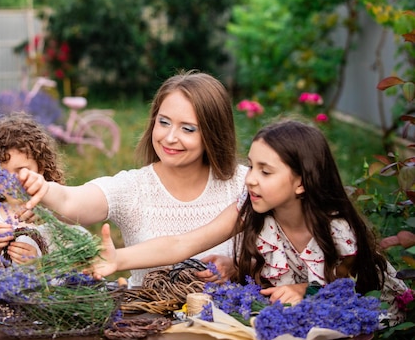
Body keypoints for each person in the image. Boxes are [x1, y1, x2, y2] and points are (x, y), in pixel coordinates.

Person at [90, 119, 408, 323]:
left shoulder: (337, 231)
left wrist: (301, 289)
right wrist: (118, 259)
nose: (251, 180)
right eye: (252, 167)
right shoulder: (253, 208)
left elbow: (340, 289)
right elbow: (182, 243)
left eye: (266, 172)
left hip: (361, 320)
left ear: (301, 182)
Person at [19, 70, 248, 287]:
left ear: (213, 133)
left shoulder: (243, 184)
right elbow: (72, 201)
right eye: (164, 122)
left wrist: (237, 268)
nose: (169, 137)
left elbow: (274, 258)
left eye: (187, 129)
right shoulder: (134, 188)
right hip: (146, 322)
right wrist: (45, 189)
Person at [0, 112, 68, 264]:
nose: (11, 180)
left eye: (21, 170)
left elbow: (68, 270)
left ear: (40, 169)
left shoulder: (55, 215)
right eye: (2, 173)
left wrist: (37, 265)